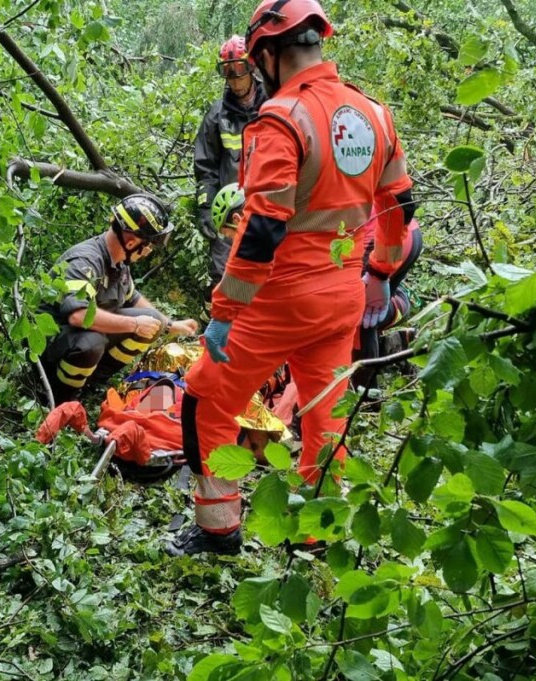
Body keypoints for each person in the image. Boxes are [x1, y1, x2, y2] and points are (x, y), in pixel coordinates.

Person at [167, 0, 415, 557]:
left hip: (278, 303)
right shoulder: (374, 113)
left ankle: (218, 530)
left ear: (268, 54)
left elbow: (260, 231)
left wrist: (223, 314)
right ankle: (316, 536)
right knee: (324, 419)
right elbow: (400, 205)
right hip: (344, 296)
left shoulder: (281, 118)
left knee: (205, 399)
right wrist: (380, 274)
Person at [40, 194, 199, 406]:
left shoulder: (118, 263)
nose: (148, 251)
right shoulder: (86, 261)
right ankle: (59, 400)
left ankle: (90, 384)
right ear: (132, 241)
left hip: (80, 335)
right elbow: (78, 316)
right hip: (51, 342)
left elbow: (132, 298)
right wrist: (134, 324)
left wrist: (170, 325)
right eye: (149, 245)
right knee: (92, 343)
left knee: (152, 321)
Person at [194, 36, 267, 317]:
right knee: (223, 270)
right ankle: (223, 327)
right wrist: (204, 207)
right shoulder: (217, 115)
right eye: (227, 73)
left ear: (252, 68)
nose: (234, 81)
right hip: (229, 211)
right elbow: (205, 166)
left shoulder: (273, 103)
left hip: (270, 204)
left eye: (238, 72)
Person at [352, 208, 423, 390]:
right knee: (364, 315)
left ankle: (365, 403)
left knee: (357, 318)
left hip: (381, 236)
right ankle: (399, 308)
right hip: (401, 229)